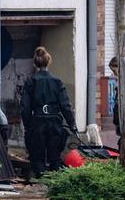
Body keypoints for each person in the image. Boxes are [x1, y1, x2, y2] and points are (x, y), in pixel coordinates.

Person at [20, 46, 78, 177]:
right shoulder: (57, 81)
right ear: (48, 62)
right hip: (54, 122)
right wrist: (72, 124)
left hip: (37, 121)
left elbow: (25, 106)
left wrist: (28, 125)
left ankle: (41, 180)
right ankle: (55, 184)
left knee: (37, 157)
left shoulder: (31, 81)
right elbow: (65, 105)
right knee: (55, 157)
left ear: (35, 63)